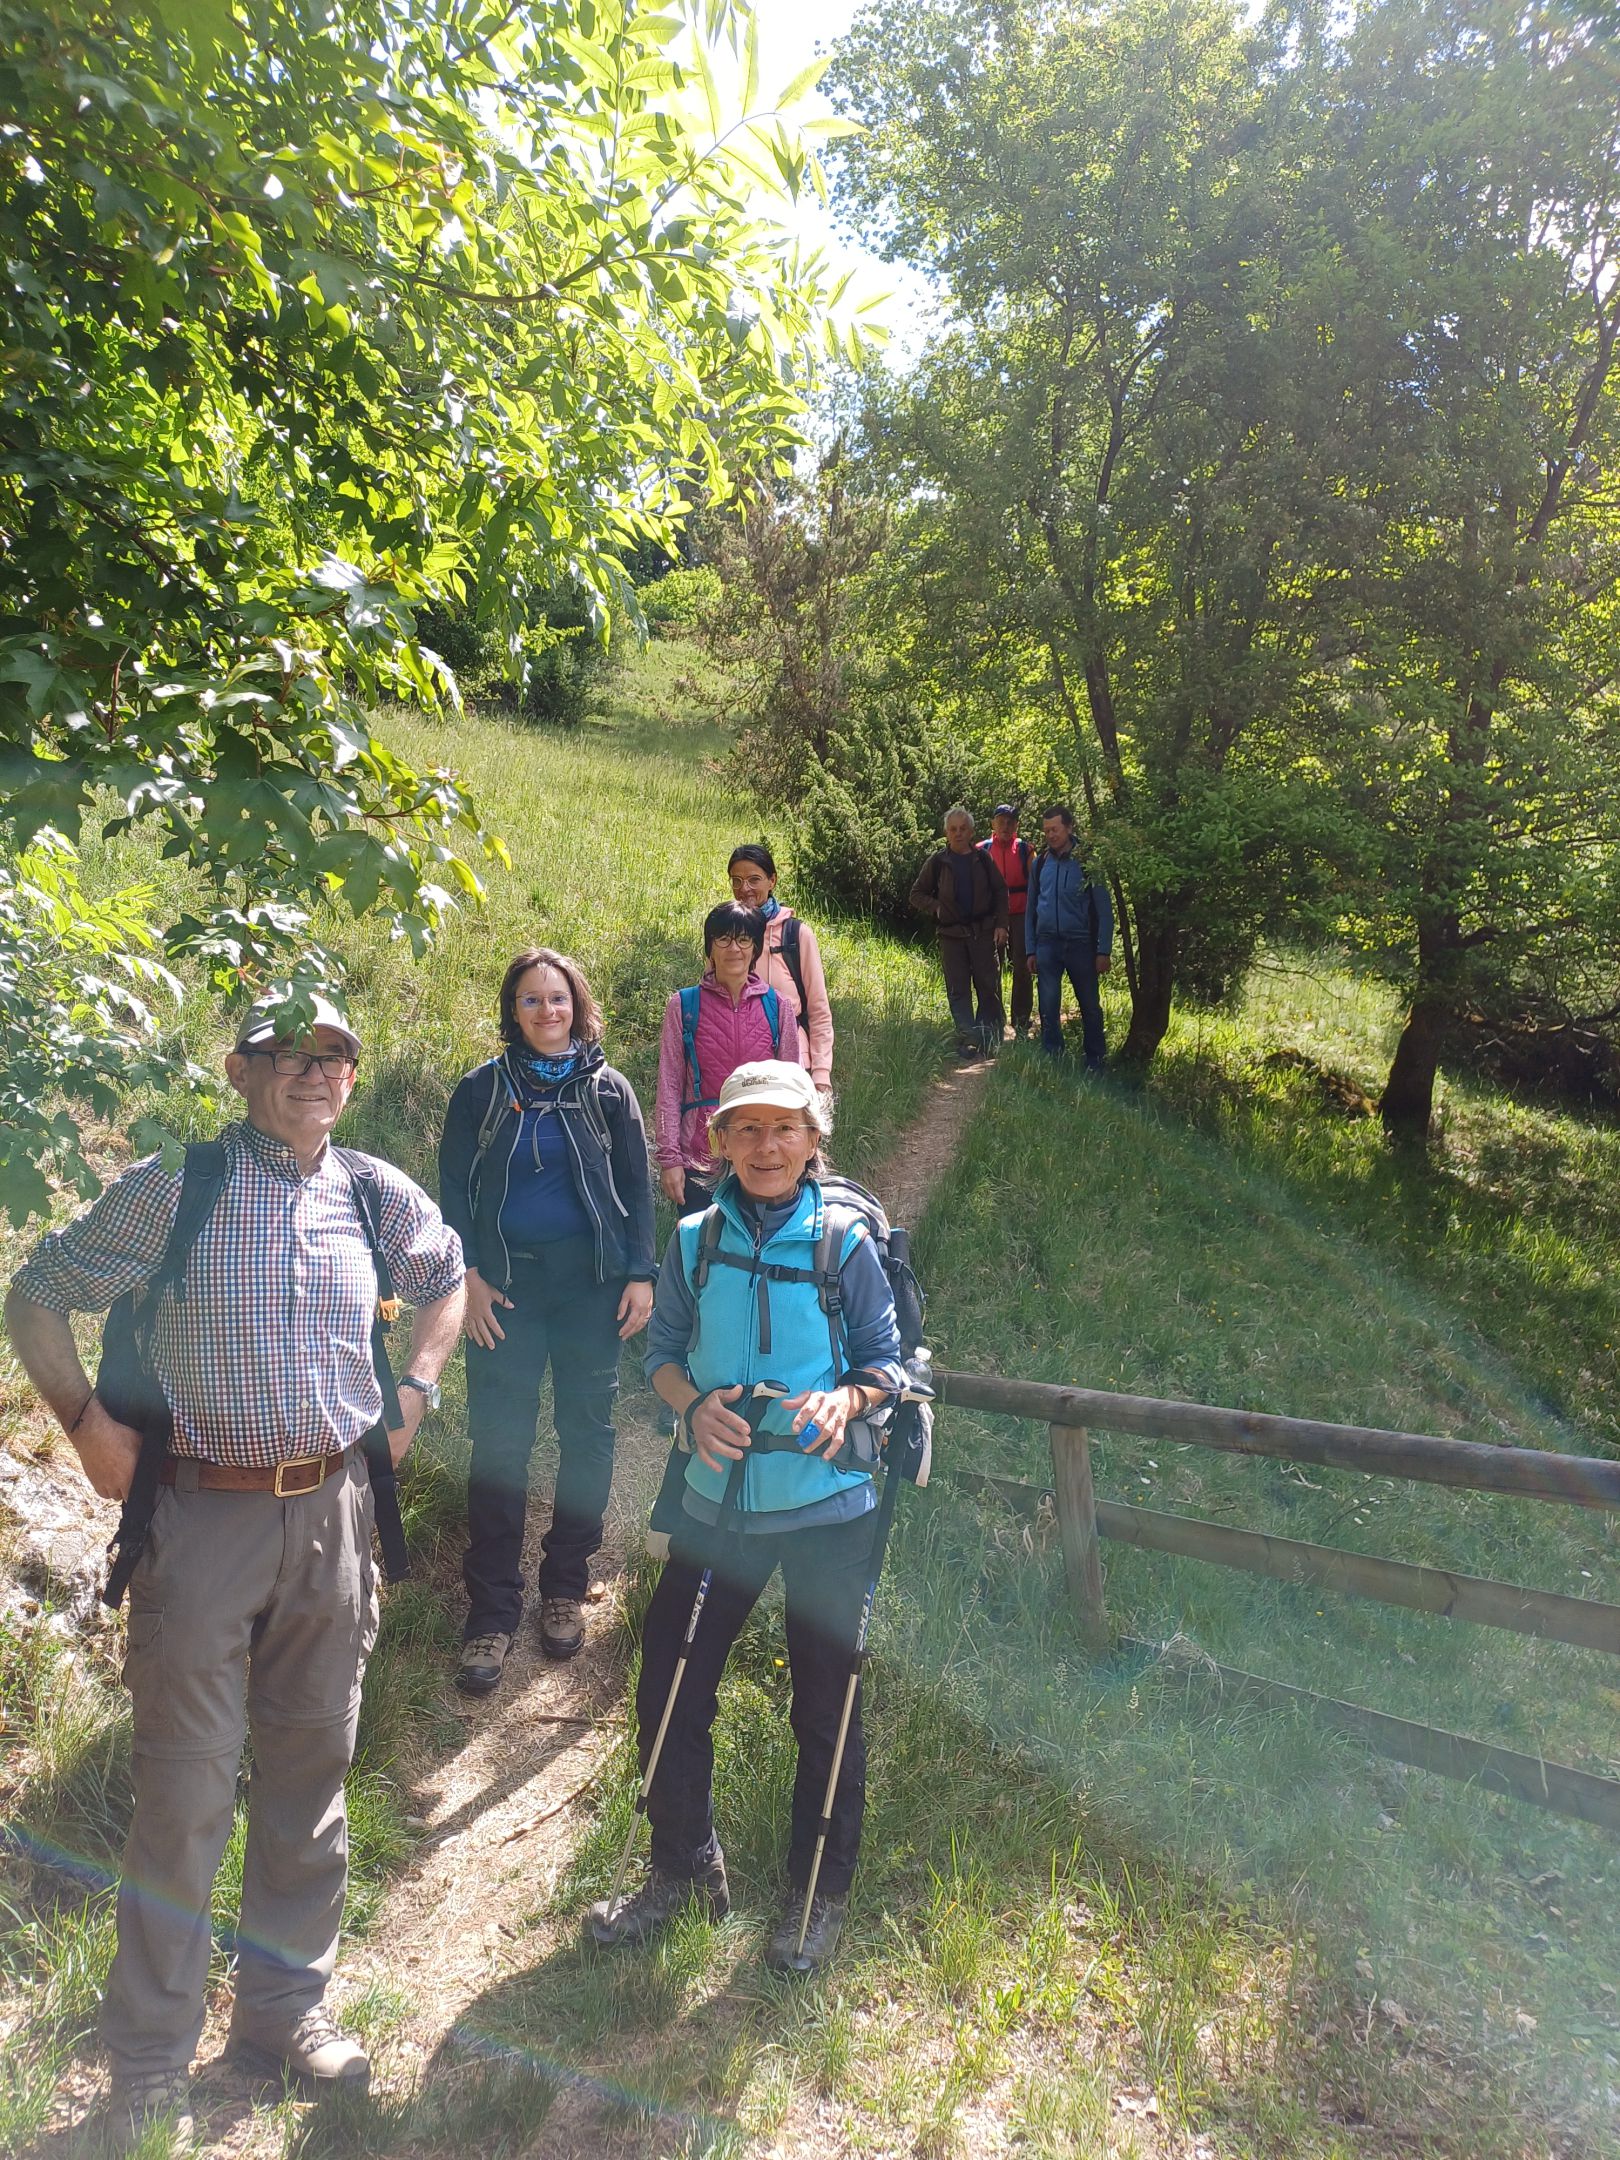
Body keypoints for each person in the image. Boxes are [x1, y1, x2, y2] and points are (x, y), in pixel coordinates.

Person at [3, 995, 465, 2152]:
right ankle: (149, 2062)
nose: (314, 1071)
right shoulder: (177, 1187)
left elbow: (448, 1274)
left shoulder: (372, 1191)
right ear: (239, 1071)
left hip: (336, 1516)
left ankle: (282, 2013)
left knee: (312, 1768)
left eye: (335, 1054)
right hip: (200, 1517)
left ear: (352, 1076)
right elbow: (37, 1291)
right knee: (186, 1794)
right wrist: (86, 1427)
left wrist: (417, 1388)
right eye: (287, 1054)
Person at [588, 1061, 905, 1973]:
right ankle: (683, 1869)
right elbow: (662, 1352)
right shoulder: (693, 1240)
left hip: (828, 1505)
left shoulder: (844, 1243)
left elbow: (886, 1365)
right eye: (747, 1129)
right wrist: (691, 1407)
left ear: (813, 1140)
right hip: (717, 1496)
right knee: (671, 1682)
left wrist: (846, 1401)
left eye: (785, 1129)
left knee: (827, 1701)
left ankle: (816, 1896)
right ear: (718, 1140)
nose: (767, 1147)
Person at [439, 948, 657, 1691]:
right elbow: (453, 1189)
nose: (545, 1011)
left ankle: (565, 1584)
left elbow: (636, 1186)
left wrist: (641, 1273)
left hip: (591, 1287)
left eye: (557, 998)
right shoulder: (481, 1090)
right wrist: (467, 1276)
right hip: (504, 1290)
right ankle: (492, 1611)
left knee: (586, 1435)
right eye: (530, 1000)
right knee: (500, 1443)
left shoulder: (607, 1090)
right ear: (513, 1010)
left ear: (577, 1005)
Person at [654, 902, 800, 1214]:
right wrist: (670, 1160)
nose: (734, 948)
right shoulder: (684, 1005)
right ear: (710, 947)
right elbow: (669, 1085)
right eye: (723, 939)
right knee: (700, 1241)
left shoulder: (778, 1007)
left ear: (755, 948)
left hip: (762, 1156)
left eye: (744, 940)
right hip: (699, 1158)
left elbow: (794, 1092)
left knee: (759, 1242)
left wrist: (795, 1154)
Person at [727, 842, 835, 1097]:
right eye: (736, 881)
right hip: (739, 1067)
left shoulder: (796, 935)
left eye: (754, 879)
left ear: (772, 880)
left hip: (791, 1064)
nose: (744, 889)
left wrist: (821, 1075)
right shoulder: (724, 935)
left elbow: (819, 1010)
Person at [909, 805, 1009, 1058]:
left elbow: (1000, 891)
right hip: (951, 936)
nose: (958, 833)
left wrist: (1001, 925)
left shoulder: (983, 859)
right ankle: (968, 1038)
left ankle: (988, 1037)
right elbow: (916, 894)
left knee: (988, 986)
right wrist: (937, 908)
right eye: (953, 829)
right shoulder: (938, 862)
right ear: (946, 833)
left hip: (983, 933)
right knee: (958, 989)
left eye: (963, 828)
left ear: (971, 832)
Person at [1027, 804, 1114, 1069]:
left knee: (1090, 1005)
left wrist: (1103, 950)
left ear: (1069, 827)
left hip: (1080, 944)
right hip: (1047, 944)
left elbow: (1104, 909)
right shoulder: (1040, 863)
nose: (1050, 835)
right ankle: (1052, 1059)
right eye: (1046, 831)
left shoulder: (1088, 862)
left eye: (1055, 829)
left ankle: (1095, 1062)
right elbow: (1031, 908)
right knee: (1048, 1005)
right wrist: (1031, 949)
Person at [980, 803, 1033, 1038]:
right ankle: (996, 1021)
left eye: (1010, 822)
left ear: (1016, 826)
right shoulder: (981, 850)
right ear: (993, 824)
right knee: (993, 968)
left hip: (1021, 914)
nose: (1005, 826)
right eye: (1001, 821)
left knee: (1023, 967)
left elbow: (1036, 885)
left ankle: (1021, 1021)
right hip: (992, 917)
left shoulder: (1025, 850)